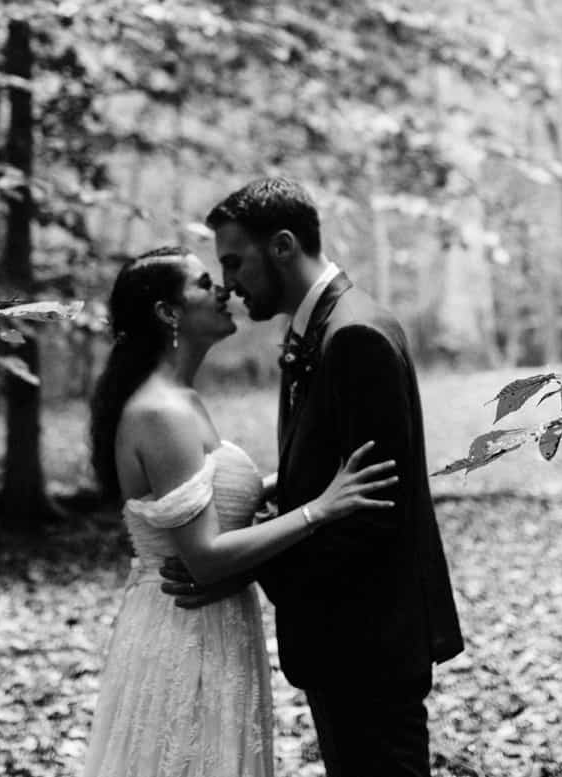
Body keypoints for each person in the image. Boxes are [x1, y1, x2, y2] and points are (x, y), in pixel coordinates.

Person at [179, 178, 464, 777]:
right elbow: (324, 472)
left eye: (233, 261)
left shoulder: (353, 335)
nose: (227, 283)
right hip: (343, 637)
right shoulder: (318, 330)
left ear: (282, 246)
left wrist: (239, 561)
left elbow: (369, 509)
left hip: (368, 641)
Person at [82, 245, 399, 777]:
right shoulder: (160, 412)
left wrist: (303, 479)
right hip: (185, 633)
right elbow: (204, 558)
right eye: (206, 283)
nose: (224, 290)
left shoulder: (179, 399)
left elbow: (215, 503)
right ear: (168, 312)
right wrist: (319, 510)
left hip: (217, 624)